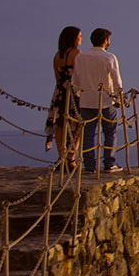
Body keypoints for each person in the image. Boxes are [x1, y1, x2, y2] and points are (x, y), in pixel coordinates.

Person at [72, 27, 126, 172]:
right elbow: (117, 81)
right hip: (106, 101)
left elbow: (75, 80)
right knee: (110, 132)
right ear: (105, 41)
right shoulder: (109, 57)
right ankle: (109, 163)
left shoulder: (80, 57)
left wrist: (78, 95)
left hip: (86, 101)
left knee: (88, 134)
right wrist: (118, 97)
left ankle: (89, 166)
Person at [43, 26, 82, 169]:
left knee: (60, 124)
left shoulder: (57, 56)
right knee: (78, 124)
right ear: (73, 38)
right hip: (73, 92)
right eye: (79, 36)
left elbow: (57, 77)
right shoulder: (76, 53)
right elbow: (79, 75)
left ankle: (61, 156)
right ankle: (71, 158)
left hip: (60, 92)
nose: (81, 39)